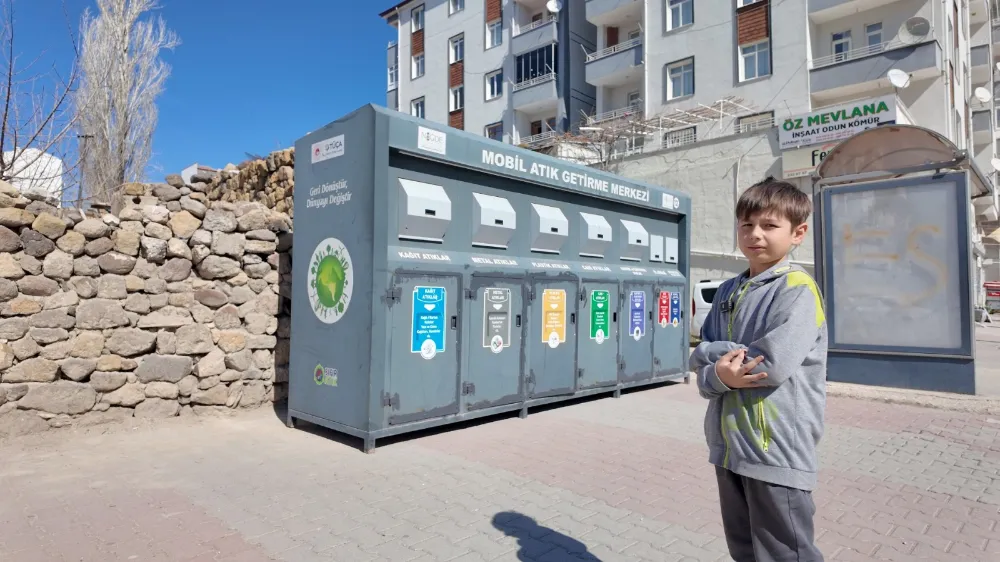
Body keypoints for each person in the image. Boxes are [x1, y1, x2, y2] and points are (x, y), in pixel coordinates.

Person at [689, 177, 827, 562]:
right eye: (747, 225)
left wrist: (721, 365)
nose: (755, 235)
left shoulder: (797, 290)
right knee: (744, 550)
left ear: (798, 233)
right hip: (729, 448)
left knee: (787, 553)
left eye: (769, 226)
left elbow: (771, 365)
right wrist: (719, 371)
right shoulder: (729, 291)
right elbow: (699, 359)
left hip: (775, 451)